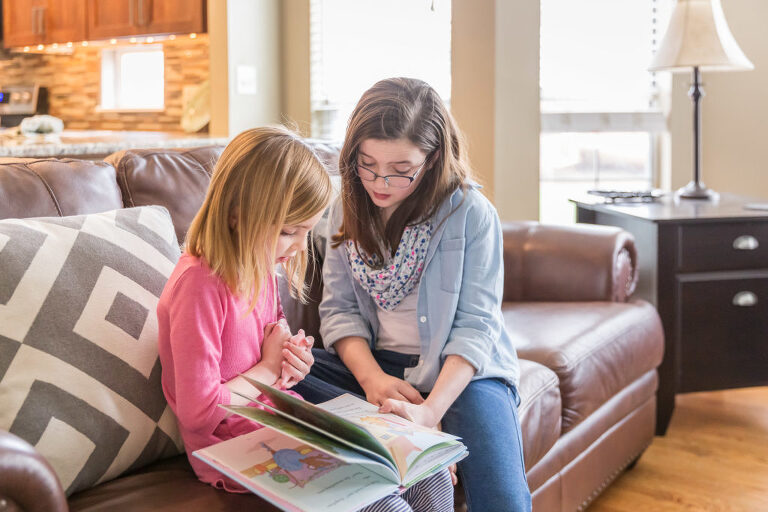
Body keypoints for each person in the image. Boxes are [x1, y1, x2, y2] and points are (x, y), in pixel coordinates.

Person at [157, 126, 453, 512]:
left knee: (428, 472)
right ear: (235, 215)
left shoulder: (258, 265)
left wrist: (294, 362)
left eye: (307, 232)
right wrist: (267, 368)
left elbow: (275, 349)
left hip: (290, 423)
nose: (299, 246)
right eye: (287, 232)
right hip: (235, 449)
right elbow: (200, 415)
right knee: (385, 505)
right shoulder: (198, 285)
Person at [294, 78, 532, 511]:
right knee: (283, 378)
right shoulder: (343, 208)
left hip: (464, 375)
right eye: (367, 164)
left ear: (433, 157)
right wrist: (375, 382)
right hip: (376, 367)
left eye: (401, 169)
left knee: (505, 503)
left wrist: (427, 413)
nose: (380, 182)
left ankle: (397, 429)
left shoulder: (471, 214)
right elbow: (339, 311)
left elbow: (476, 327)